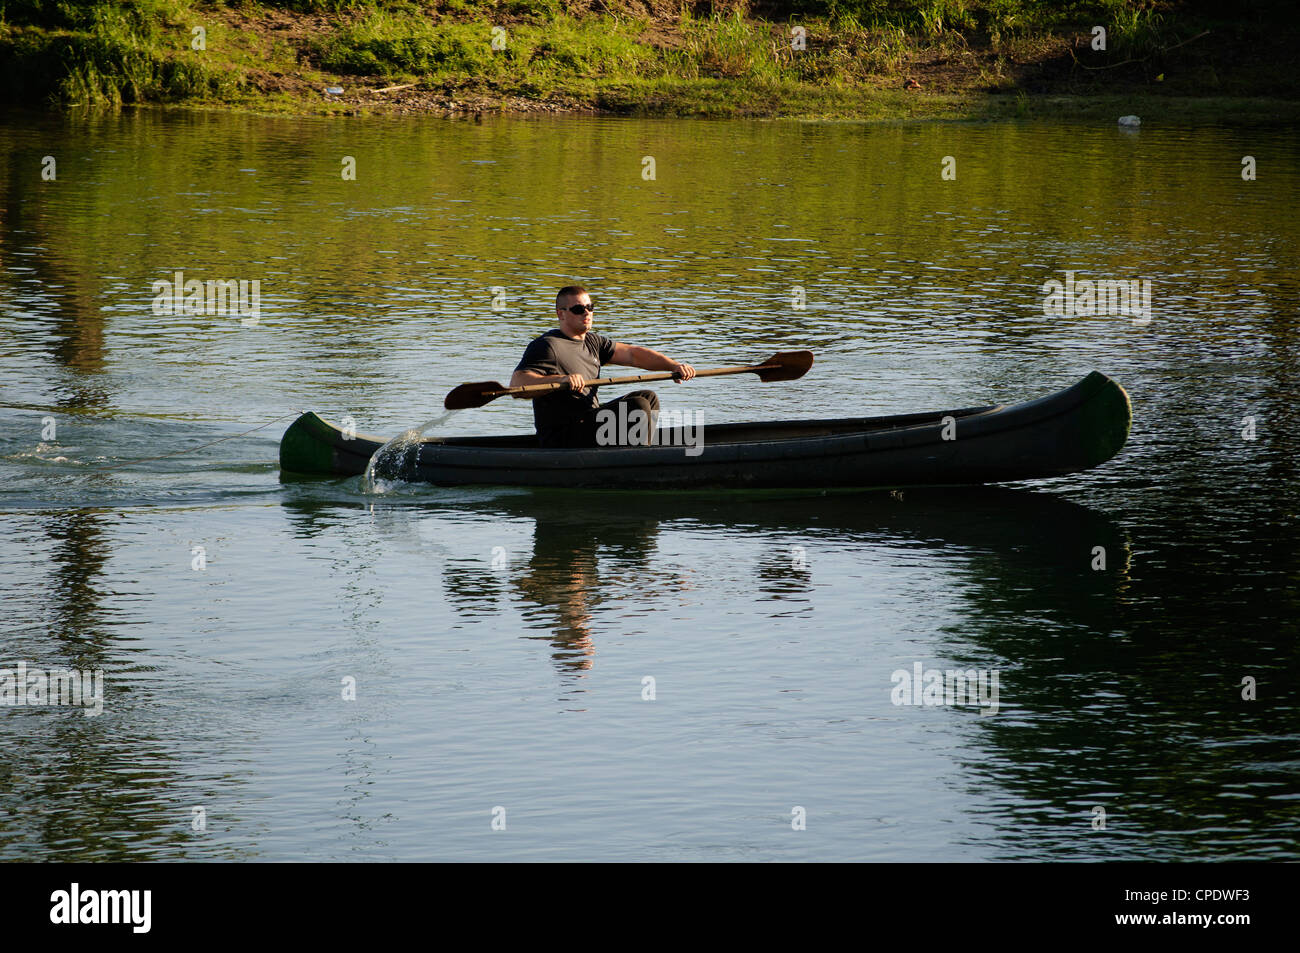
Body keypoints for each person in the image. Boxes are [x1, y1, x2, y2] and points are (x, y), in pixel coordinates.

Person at [512, 286, 696, 448]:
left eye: (589, 307)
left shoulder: (593, 341)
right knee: (638, 406)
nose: (586, 313)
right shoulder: (547, 346)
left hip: (589, 423)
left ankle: (636, 450)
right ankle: (640, 459)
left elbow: (633, 355)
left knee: (648, 397)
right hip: (563, 437)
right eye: (578, 309)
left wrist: (673, 365)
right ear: (561, 314)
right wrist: (560, 379)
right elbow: (516, 385)